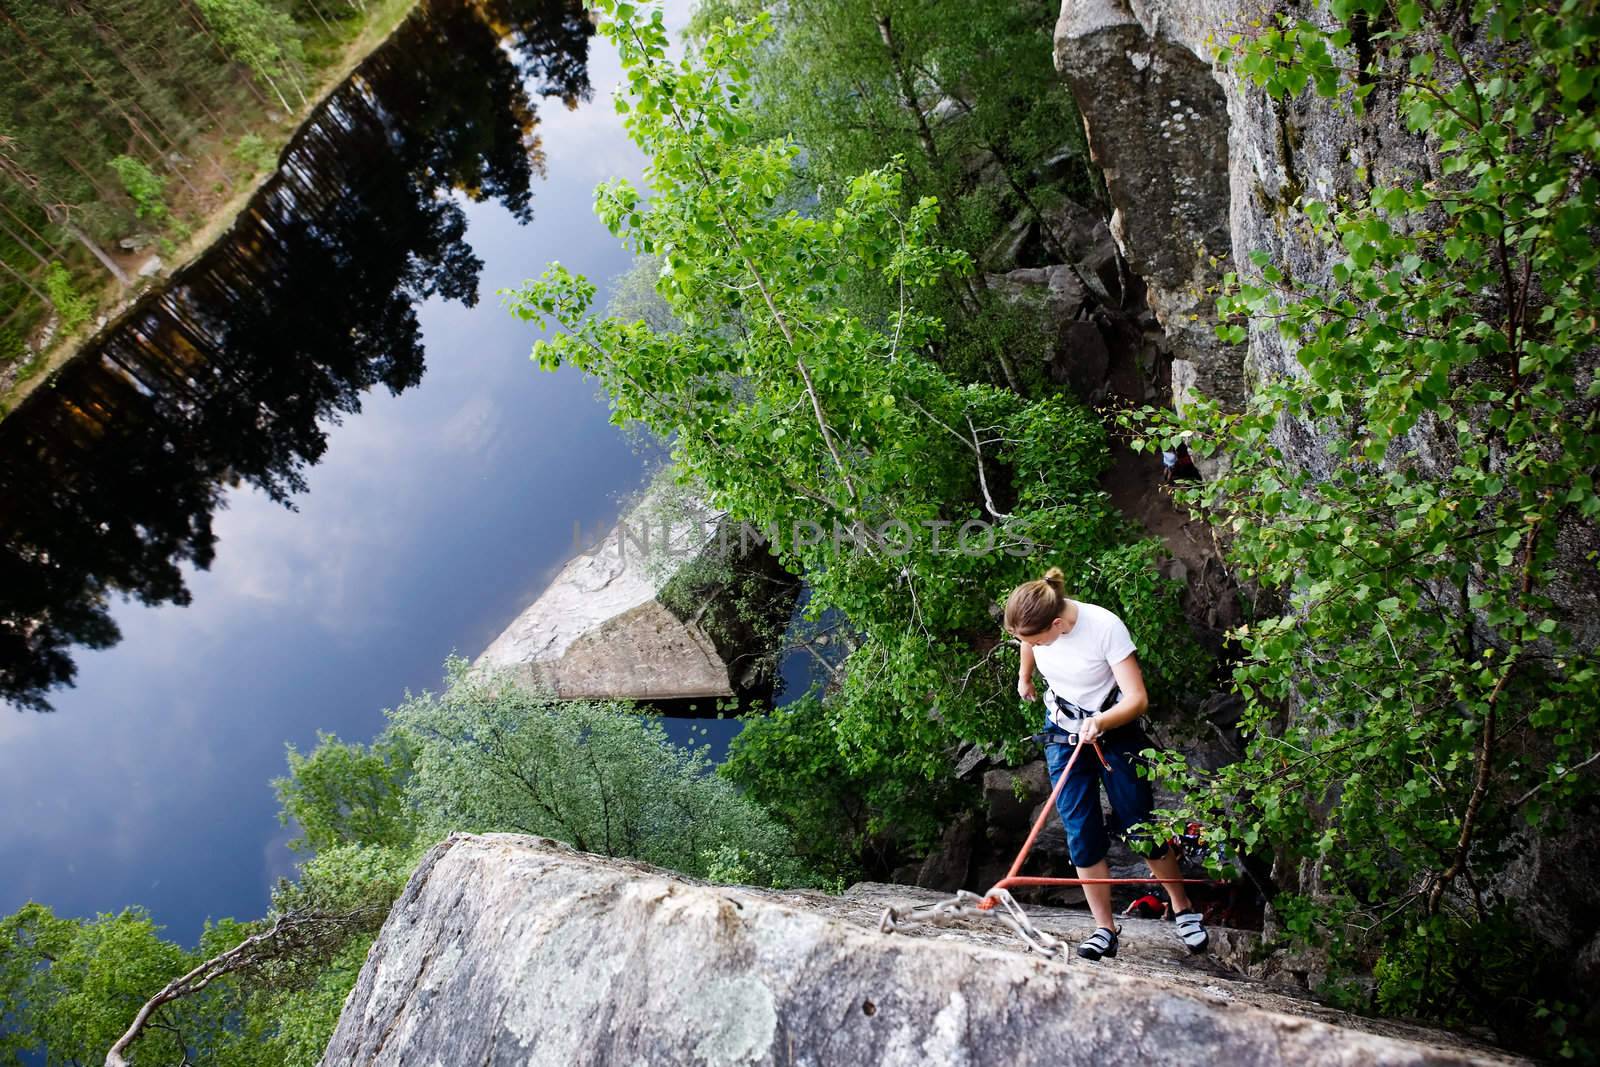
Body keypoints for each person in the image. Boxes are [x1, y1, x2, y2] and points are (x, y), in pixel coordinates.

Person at [1004, 566, 1208, 960]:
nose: (1033, 644)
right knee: (1080, 831)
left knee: (1138, 825)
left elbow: (1136, 698)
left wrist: (1100, 722)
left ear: (1059, 624)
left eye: (1039, 639)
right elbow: (1026, 641)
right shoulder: (1036, 628)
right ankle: (1104, 929)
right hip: (1064, 733)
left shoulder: (1105, 628)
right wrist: (1024, 677)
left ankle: (1182, 907)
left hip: (1112, 729)